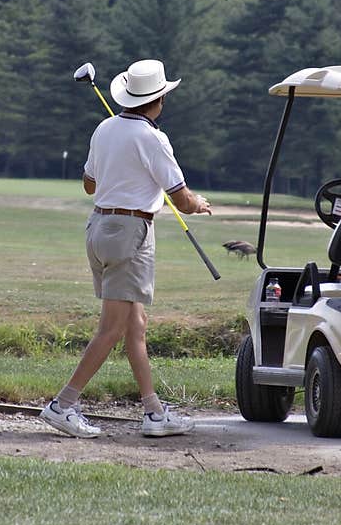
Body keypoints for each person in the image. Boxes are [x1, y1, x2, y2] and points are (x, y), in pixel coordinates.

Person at [40, 59, 212, 439]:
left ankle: (153, 412)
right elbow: (181, 200)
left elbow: (89, 184)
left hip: (99, 227)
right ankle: (62, 405)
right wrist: (198, 203)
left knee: (135, 326)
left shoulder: (104, 128)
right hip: (131, 233)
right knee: (113, 328)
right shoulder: (153, 139)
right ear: (159, 100)